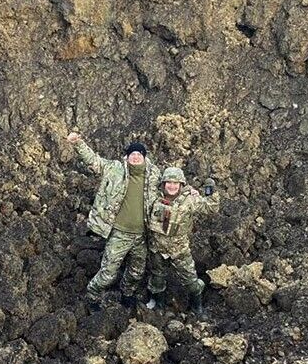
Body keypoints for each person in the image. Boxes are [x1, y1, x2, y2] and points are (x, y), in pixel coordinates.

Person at [66, 131, 161, 310]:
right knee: (108, 273)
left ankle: (127, 294)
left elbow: (172, 188)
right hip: (119, 234)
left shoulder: (154, 176)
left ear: (144, 158)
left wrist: (189, 192)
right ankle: (92, 296)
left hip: (142, 236)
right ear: (126, 157)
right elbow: (94, 161)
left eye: (138, 154)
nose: (135, 157)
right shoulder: (114, 169)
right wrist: (78, 143)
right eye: (132, 154)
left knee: (136, 273)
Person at [145, 167, 220, 315]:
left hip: (179, 250)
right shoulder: (154, 197)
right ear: (163, 183)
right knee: (157, 280)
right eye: (168, 183)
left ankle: (197, 307)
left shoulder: (189, 200)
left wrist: (210, 190)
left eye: (176, 183)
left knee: (191, 283)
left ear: (181, 185)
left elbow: (211, 208)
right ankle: (159, 305)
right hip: (157, 249)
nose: (172, 186)